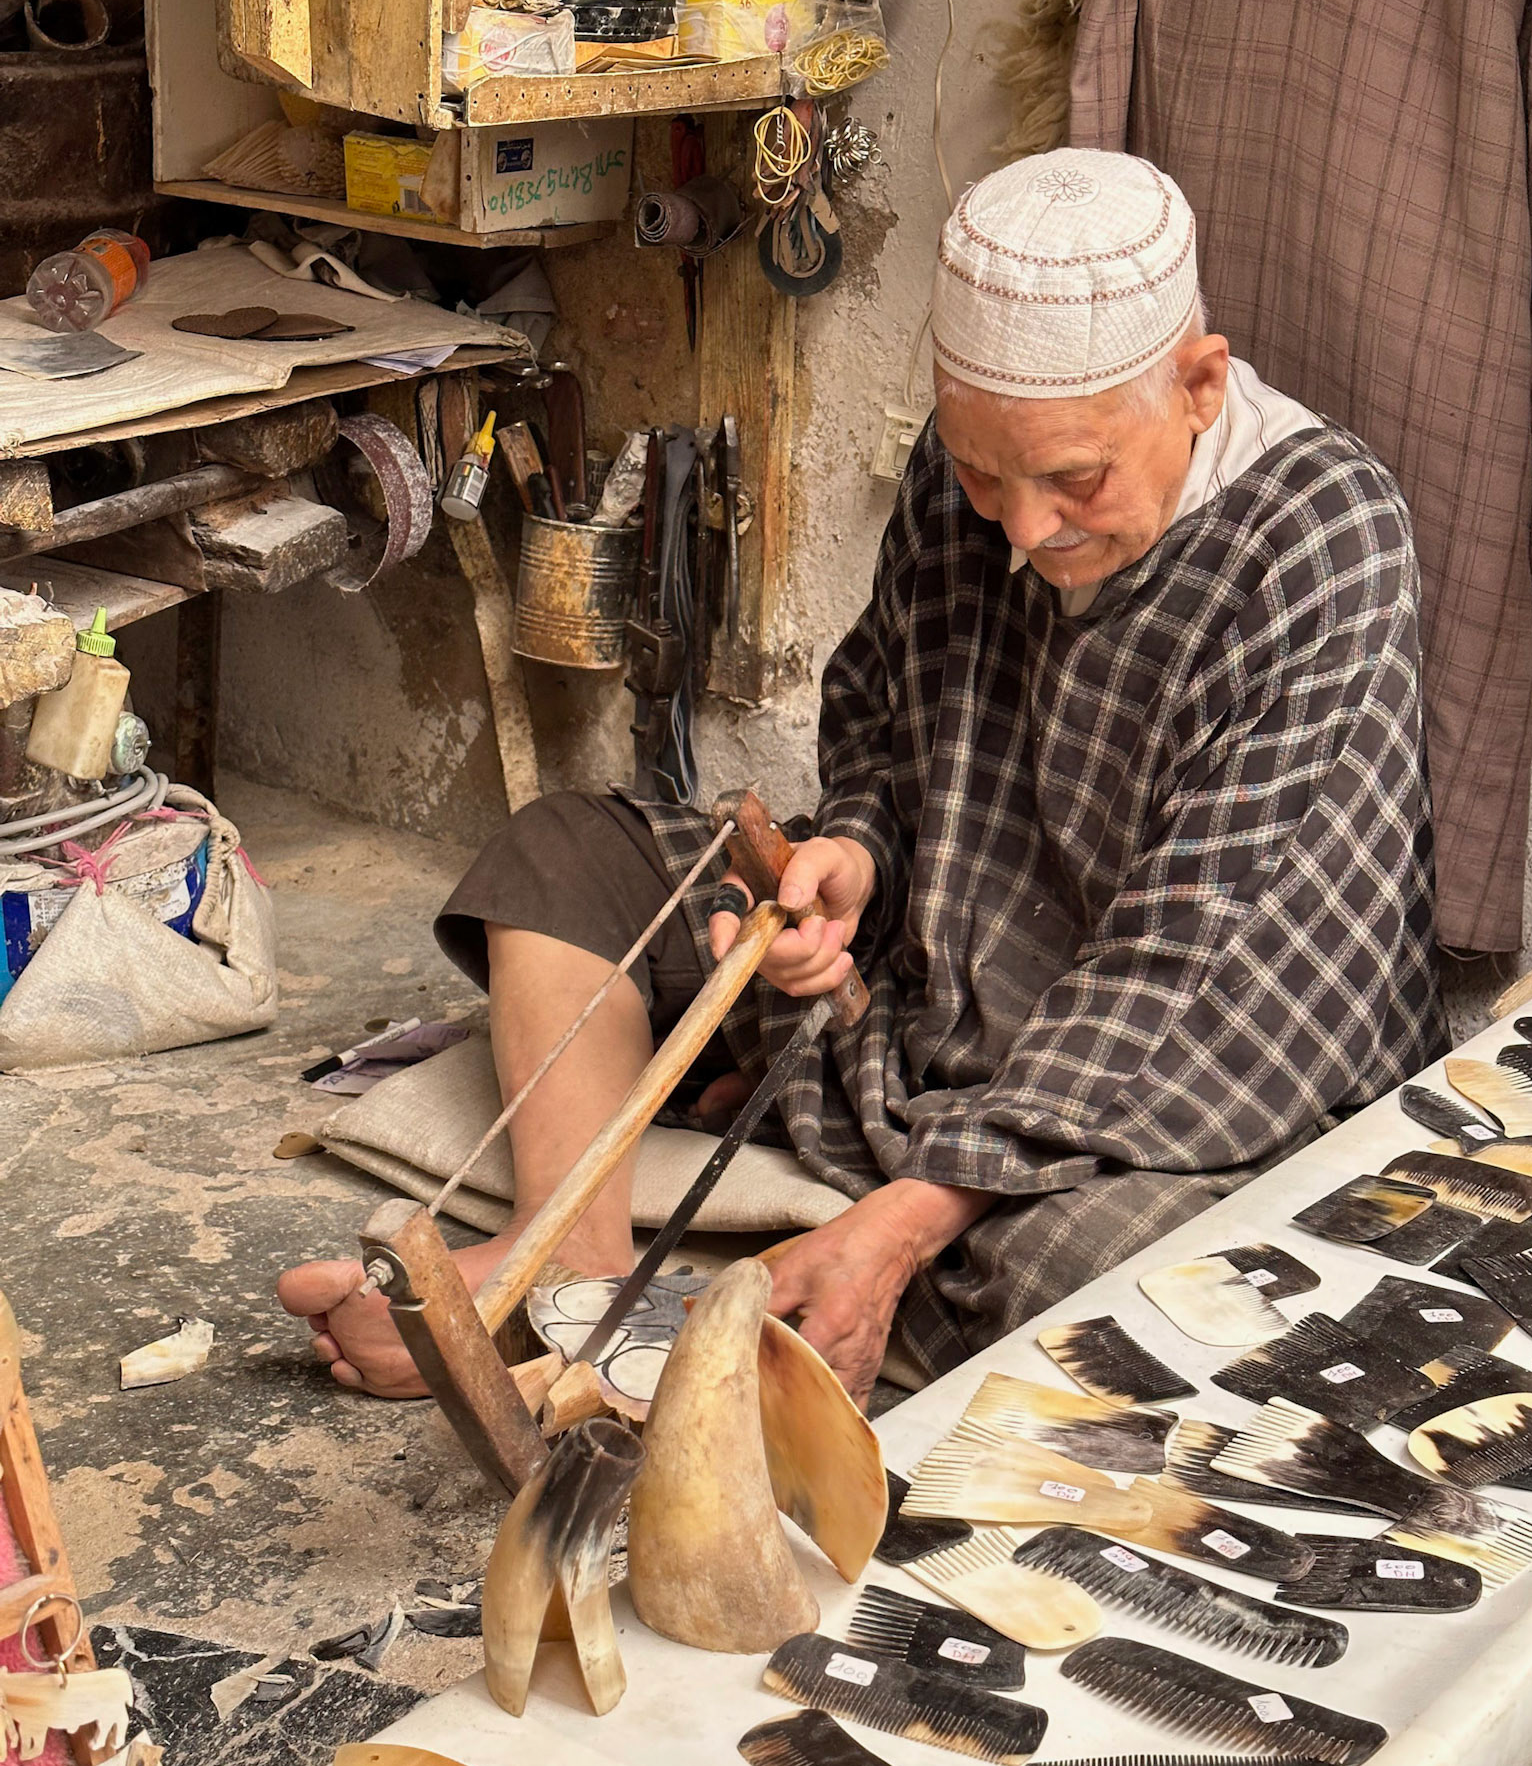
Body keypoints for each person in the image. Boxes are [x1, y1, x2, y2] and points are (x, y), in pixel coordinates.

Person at [279, 149, 1442, 1410]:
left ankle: (786, 1283)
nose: (1026, 531)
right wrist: (854, 859)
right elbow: (886, 716)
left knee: (1107, 1279)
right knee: (568, 850)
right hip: (942, 967)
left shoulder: (1322, 542)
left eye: (1077, 480)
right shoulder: (975, 476)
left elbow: (1218, 974)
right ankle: (574, 1266)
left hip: (1186, 1039)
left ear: (1201, 385)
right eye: (986, 476)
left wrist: (901, 1220)